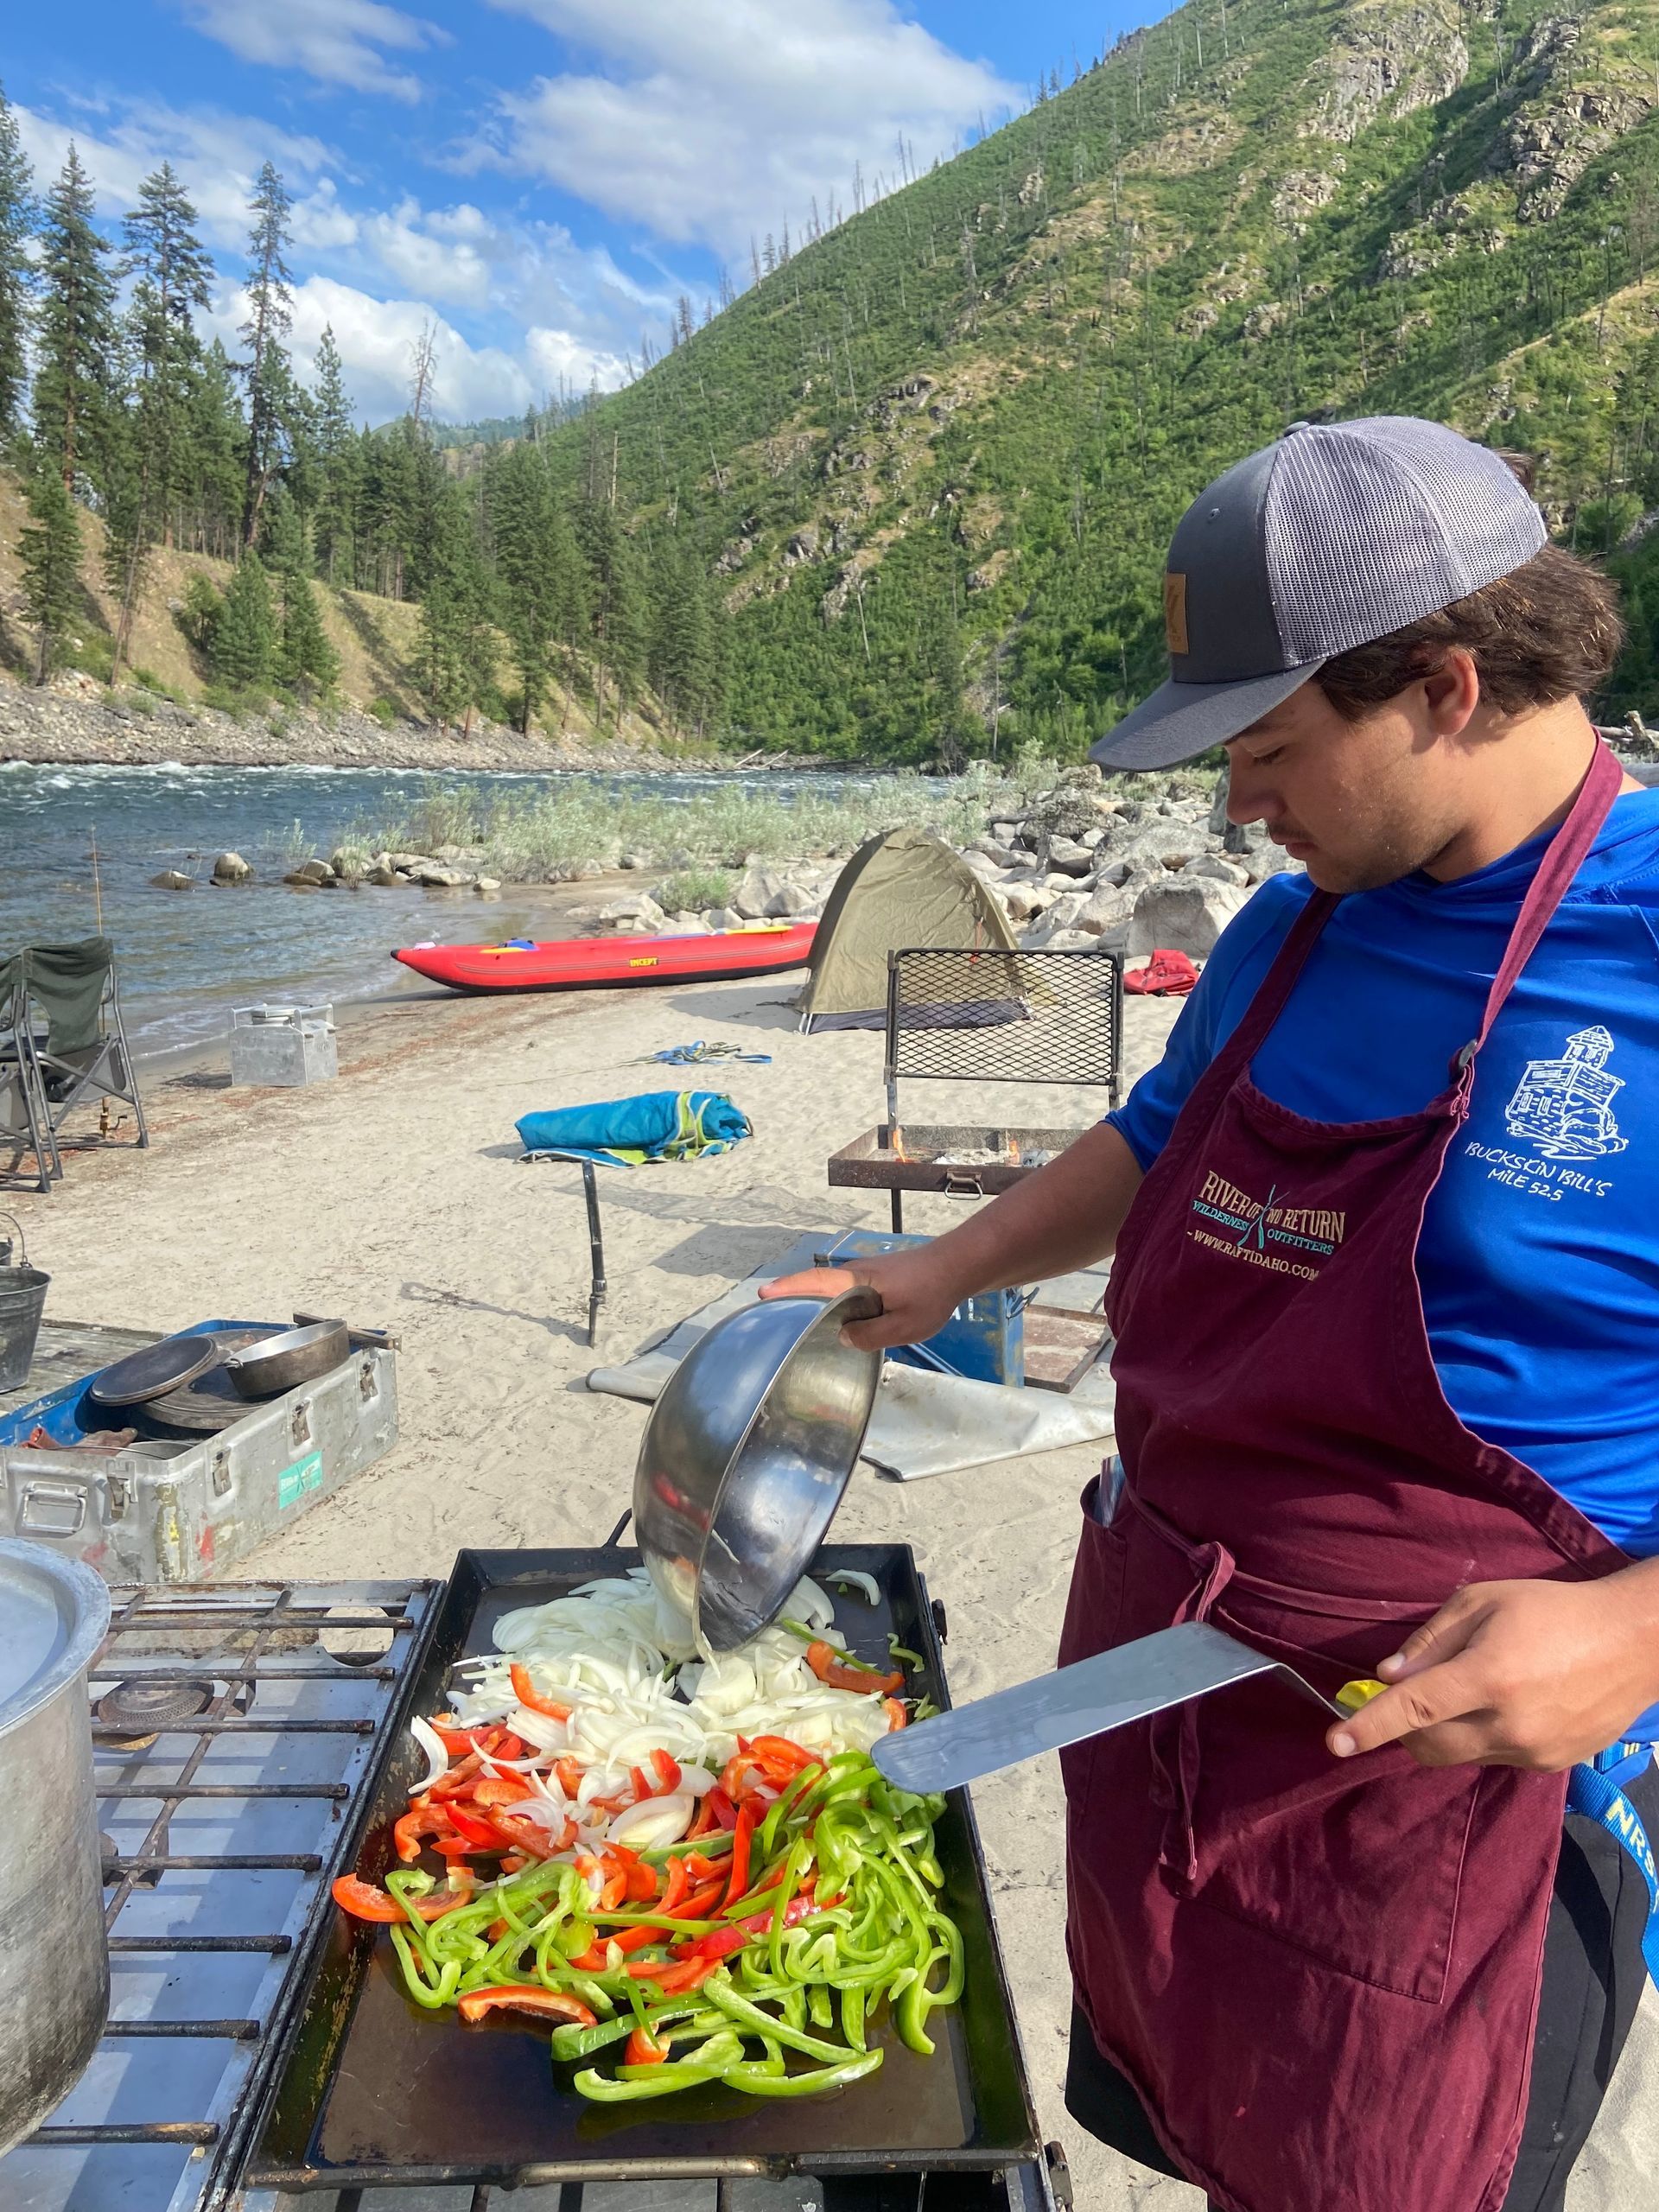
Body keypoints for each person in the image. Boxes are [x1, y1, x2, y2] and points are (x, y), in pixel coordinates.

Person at [763, 416, 1659, 2212]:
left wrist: (1643, 1628)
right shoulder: (1293, 920)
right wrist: (938, 1269)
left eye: (1265, 746)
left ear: (1447, 686)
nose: (1237, 800)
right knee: (1213, 2129)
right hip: (1166, 1680)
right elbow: (1152, 1137)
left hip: (1453, 1786)